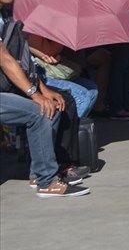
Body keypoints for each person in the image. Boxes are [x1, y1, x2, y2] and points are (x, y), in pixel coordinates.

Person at [0, 42, 89, 197]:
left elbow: (19, 58)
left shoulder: (8, 21)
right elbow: (4, 58)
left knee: (51, 108)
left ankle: (39, 174)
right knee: (40, 111)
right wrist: (34, 94)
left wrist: (41, 90)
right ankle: (47, 181)